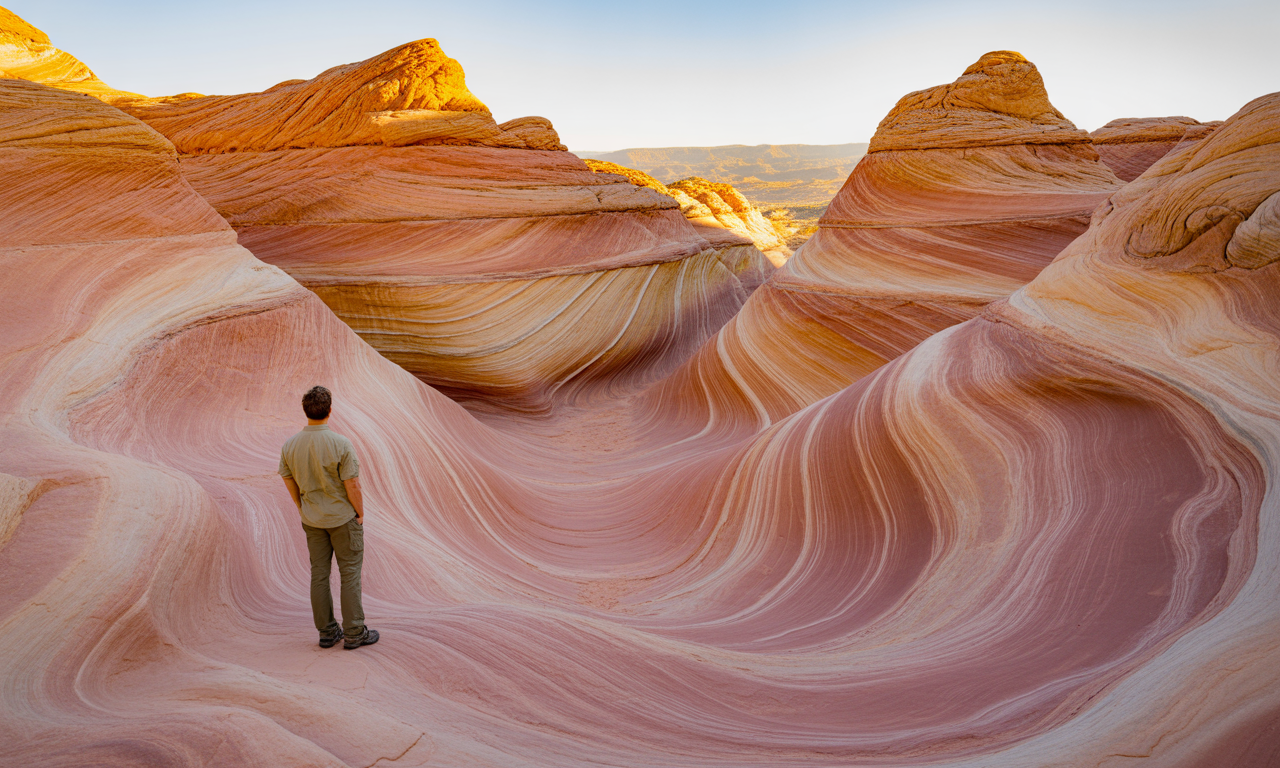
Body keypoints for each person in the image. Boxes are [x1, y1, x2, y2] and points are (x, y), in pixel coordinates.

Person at [278, 386, 379, 650]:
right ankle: (354, 632)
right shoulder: (341, 443)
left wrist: (301, 506)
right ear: (330, 411)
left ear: (306, 411)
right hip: (342, 518)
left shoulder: (290, 445)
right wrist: (360, 513)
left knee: (319, 575)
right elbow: (352, 484)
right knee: (349, 575)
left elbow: (287, 477)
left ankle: (327, 632)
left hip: (313, 520)